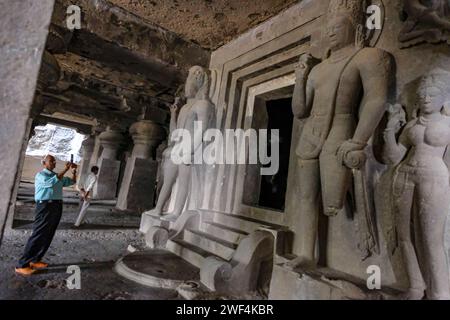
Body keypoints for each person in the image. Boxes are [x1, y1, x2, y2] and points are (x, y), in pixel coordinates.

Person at [15, 155, 77, 276]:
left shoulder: (57, 176)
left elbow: (71, 182)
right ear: (44, 163)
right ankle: (21, 265)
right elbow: (53, 181)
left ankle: (35, 259)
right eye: (51, 161)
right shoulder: (41, 175)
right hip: (45, 206)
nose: (54, 162)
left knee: (48, 233)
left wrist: (74, 172)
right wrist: (65, 169)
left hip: (56, 206)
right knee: (38, 234)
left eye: (54, 161)